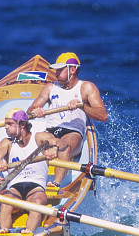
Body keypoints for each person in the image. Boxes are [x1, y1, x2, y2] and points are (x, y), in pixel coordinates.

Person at [27, 52, 107, 188]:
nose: (56, 74)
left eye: (60, 70)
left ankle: (55, 183)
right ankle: (37, 178)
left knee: (63, 146)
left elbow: (103, 115)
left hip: (72, 133)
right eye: (55, 70)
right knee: (39, 136)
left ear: (72, 69)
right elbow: (30, 110)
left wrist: (82, 107)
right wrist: (36, 111)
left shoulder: (86, 88)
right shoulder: (50, 87)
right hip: (51, 131)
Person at [0, 109, 59, 234]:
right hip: (14, 189)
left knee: (37, 202)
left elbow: (55, 141)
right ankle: (3, 232)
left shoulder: (38, 137)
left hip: (36, 188)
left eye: (10, 124)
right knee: (4, 200)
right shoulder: (7, 143)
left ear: (22, 125)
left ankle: (28, 234)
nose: (5, 127)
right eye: (5, 124)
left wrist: (54, 148)